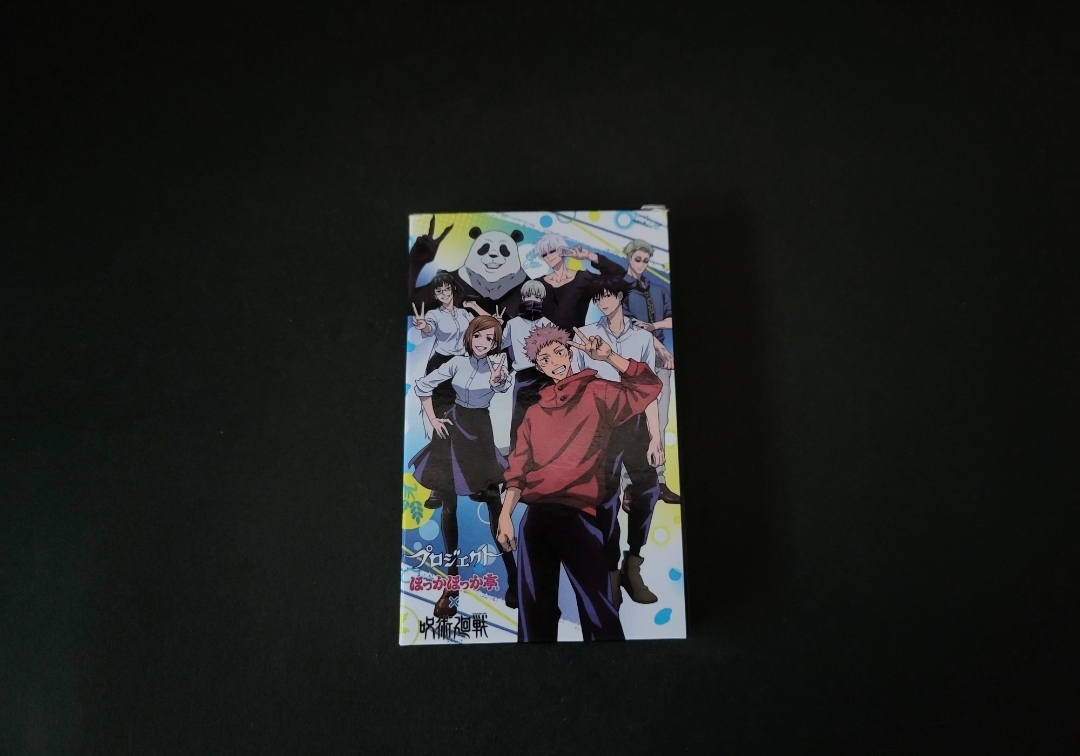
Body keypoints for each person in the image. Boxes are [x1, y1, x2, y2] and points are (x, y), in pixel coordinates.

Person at [495, 325, 662, 642]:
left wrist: (609, 356)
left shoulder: (599, 392)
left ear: (570, 354)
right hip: (535, 521)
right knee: (534, 617)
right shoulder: (534, 413)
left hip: (580, 519)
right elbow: (518, 469)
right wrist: (505, 515)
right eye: (545, 359)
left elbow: (648, 387)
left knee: (600, 616)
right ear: (539, 367)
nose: (554, 362)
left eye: (559, 352)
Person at [409, 315, 518, 617]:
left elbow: (501, 385)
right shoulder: (456, 363)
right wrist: (434, 419)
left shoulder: (498, 366)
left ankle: (514, 578)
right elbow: (422, 386)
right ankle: (451, 585)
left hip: (480, 433)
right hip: (453, 430)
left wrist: (498, 380)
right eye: (478, 336)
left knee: (495, 504)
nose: (483, 343)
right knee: (448, 506)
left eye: (490, 339)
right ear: (470, 336)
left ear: (496, 344)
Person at [573, 276, 664, 606]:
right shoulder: (586, 335)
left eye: (607, 295)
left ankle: (633, 565)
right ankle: (610, 571)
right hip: (600, 425)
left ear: (621, 296)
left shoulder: (641, 337)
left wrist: (655, 437)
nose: (602, 302)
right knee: (605, 498)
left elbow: (648, 389)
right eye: (597, 297)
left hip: (634, 423)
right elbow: (576, 388)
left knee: (649, 490)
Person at [621, 238, 681, 505]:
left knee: (661, 422)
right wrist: (660, 346)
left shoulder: (659, 289)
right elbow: (629, 325)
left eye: (646, 261)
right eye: (638, 259)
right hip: (633, 363)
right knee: (632, 424)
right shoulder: (618, 289)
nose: (642, 265)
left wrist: (655, 326)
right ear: (628, 258)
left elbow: (671, 318)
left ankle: (659, 481)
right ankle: (629, 485)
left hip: (660, 365)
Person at [410, 271, 487, 451]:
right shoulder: (434, 315)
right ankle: (442, 455)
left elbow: (487, 323)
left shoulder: (464, 313)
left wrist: (474, 306)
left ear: (452, 289)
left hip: (464, 364)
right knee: (442, 411)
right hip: (441, 363)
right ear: (435, 295)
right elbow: (429, 328)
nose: (444, 294)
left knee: (463, 411)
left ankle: (462, 454)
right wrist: (423, 326)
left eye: (446, 289)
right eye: (439, 291)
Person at [533, 232, 627, 331]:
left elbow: (620, 275)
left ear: (563, 250)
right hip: (543, 340)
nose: (548, 256)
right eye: (544, 254)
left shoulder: (582, 279)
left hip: (576, 339)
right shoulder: (537, 284)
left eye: (552, 251)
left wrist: (588, 256)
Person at [500, 279, 553, 447]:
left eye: (536, 297)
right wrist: (496, 327)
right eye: (528, 296)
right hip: (522, 378)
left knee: (545, 419)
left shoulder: (548, 324)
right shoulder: (512, 323)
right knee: (519, 420)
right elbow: (500, 345)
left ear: (542, 300)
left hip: (545, 378)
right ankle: (516, 456)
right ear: (522, 298)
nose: (532, 300)